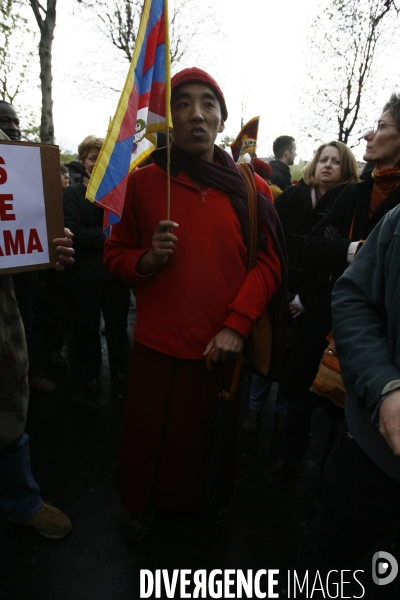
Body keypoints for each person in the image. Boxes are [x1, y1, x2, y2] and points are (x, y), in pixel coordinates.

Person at [104, 67, 287, 541]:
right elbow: (114, 255)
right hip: (154, 344)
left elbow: (269, 266)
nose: (196, 114)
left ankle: (208, 504)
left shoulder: (253, 189)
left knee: (208, 440)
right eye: (182, 103)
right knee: (148, 436)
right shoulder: (144, 183)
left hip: (219, 348)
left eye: (208, 104)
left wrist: (237, 324)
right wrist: (146, 259)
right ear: (169, 119)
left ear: (222, 121)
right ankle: (140, 504)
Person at [297, 93, 400, 573]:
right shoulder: (351, 199)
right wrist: (353, 250)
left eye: (379, 126)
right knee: (310, 417)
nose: (368, 135)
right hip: (326, 334)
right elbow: (309, 247)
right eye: (325, 159)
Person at [244, 142, 359, 437]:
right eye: (323, 159)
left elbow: (340, 263)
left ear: (346, 167)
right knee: (267, 352)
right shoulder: (292, 195)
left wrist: (306, 298)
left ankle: (283, 418)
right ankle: (254, 410)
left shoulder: (348, 204)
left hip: (315, 302)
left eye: (336, 161)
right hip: (278, 290)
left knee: (295, 366)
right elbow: (270, 242)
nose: (328, 165)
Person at [63, 135, 131, 392]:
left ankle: (121, 369)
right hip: (85, 278)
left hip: (115, 276)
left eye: (103, 157)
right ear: (83, 161)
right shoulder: (72, 194)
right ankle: (90, 374)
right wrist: (111, 236)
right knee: (87, 328)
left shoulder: (120, 194)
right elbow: (74, 233)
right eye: (93, 157)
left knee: (117, 326)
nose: (97, 162)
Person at [0, 100, 56, 393]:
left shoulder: (29, 164)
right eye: (5, 121)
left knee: (28, 319)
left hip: (25, 262)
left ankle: (28, 376)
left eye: (16, 121)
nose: (12, 127)